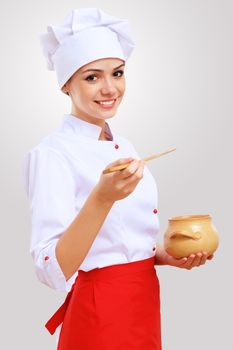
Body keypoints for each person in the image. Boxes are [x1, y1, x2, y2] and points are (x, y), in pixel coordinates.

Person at [22, 7, 214, 350]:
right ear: (66, 84)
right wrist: (102, 197)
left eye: (118, 73)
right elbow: (51, 268)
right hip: (100, 310)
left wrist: (162, 254)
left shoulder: (122, 145)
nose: (109, 88)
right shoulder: (51, 155)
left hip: (143, 298)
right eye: (92, 77)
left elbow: (116, 241)